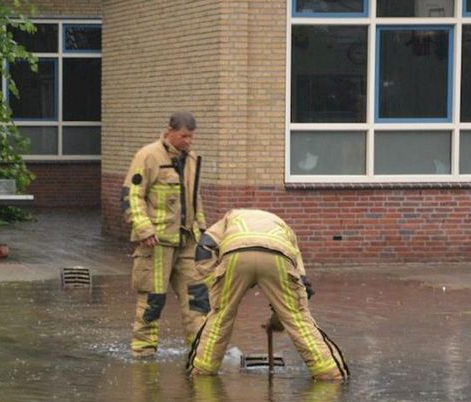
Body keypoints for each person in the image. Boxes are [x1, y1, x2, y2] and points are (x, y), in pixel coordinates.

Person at [188, 209, 349, 381]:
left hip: (235, 254)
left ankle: (202, 371)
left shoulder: (228, 219)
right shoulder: (285, 229)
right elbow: (299, 290)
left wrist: (216, 283)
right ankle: (330, 372)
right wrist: (278, 323)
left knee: (220, 317)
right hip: (278, 255)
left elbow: (204, 247)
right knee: (298, 318)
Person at [121, 112, 210, 358]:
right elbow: (132, 195)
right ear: (169, 130)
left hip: (187, 241)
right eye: (184, 136)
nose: (188, 142)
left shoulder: (191, 159)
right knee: (153, 299)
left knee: (197, 299)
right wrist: (144, 229)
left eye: (191, 137)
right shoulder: (148, 156)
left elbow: (195, 199)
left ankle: (200, 352)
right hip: (157, 243)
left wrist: (202, 231)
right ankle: (143, 352)